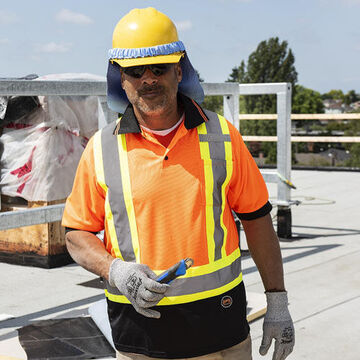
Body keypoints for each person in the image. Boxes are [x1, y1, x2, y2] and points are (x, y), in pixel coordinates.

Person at [62, 7, 295, 360]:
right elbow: (76, 234)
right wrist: (115, 270)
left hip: (221, 332)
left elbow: (258, 221)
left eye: (160, 68)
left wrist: (277, 301)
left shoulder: (223, 138)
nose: (148, 79)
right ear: (120, 79)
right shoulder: (101, 148)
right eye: (135, 71)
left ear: (179, 70)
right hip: (140, 337)